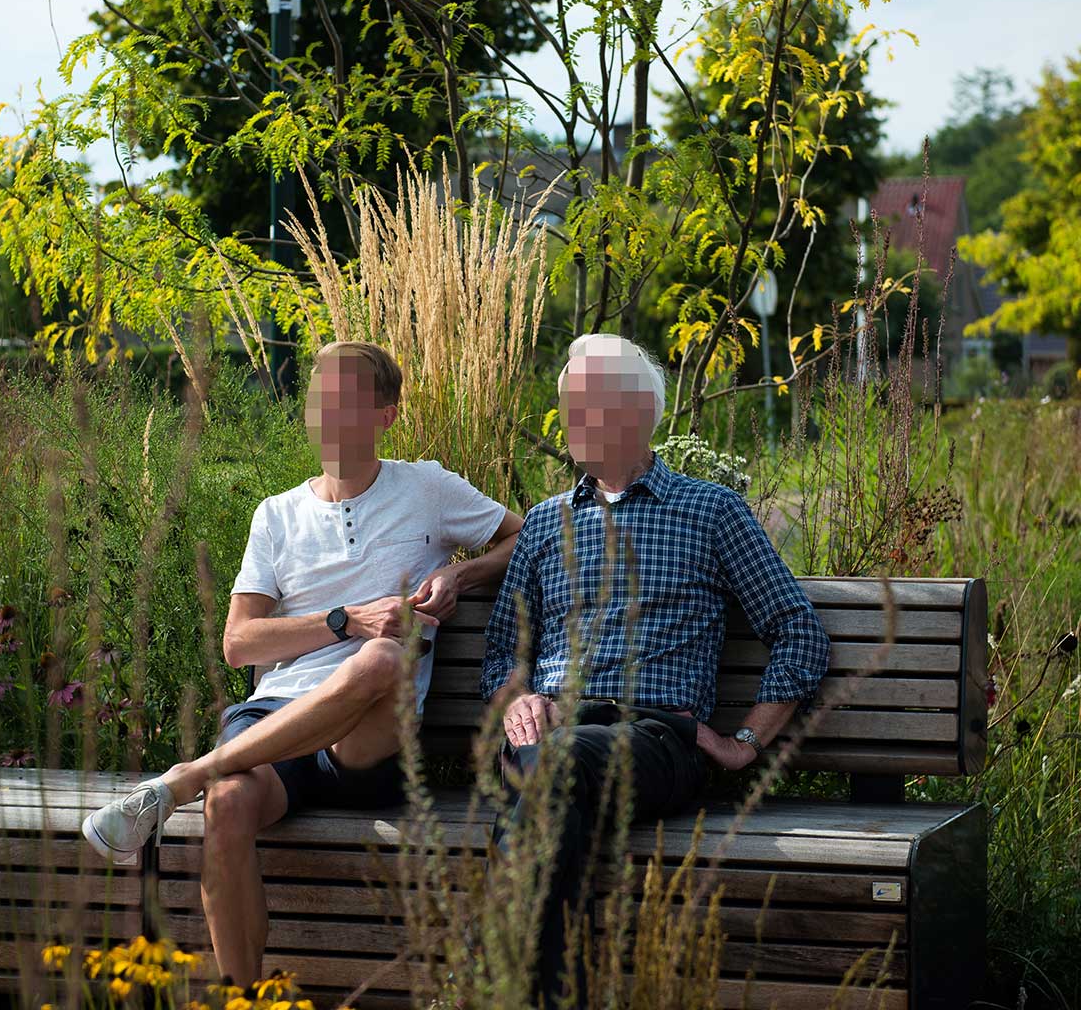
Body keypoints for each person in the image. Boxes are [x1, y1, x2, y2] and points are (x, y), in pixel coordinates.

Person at [82, 341, 524, 985]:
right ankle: (244, 997)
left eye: (345, 398)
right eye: (320, 397)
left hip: (365, 743)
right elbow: (240, 642)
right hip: (273, 722)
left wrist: (461, 574)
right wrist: (345, 619)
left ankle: (183, 778)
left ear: (385, 415)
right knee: (227, 805)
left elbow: (524, 536)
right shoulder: (277, 516)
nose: (327, 410)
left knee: (382, 658)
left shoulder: (427, 489)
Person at [481, 333, 830, 1009]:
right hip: (549, 736)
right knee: (552, 787)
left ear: (639, 411)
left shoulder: (711, 511)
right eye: (567, 403)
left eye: (588, 402)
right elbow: (502, 650)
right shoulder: (547, 524)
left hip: (656, 739)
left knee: (548, 774)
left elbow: (799, 633)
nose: (570, 417)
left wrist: (745, 742)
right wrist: (517, 701)